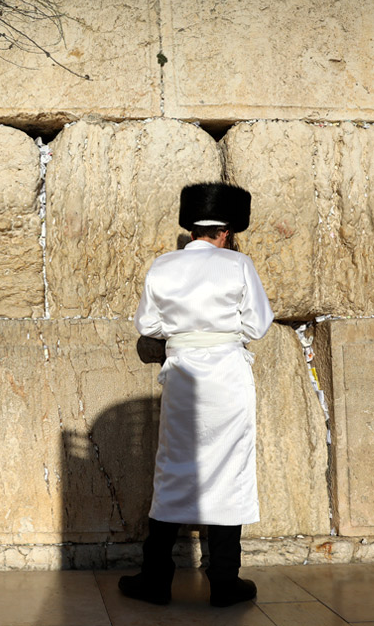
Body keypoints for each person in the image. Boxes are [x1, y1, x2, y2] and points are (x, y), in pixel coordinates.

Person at [121, 182, 274, 608]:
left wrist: (185, 334)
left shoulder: (162, 266)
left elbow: (147, 325)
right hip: (227, 378)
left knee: (172, 468)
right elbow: (258, 325)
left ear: (192, 230)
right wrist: (223, 334)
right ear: (224, 233)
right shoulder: (238, 264)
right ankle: (224, 580)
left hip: (183, 376)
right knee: (230, 469)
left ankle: (155, 579)